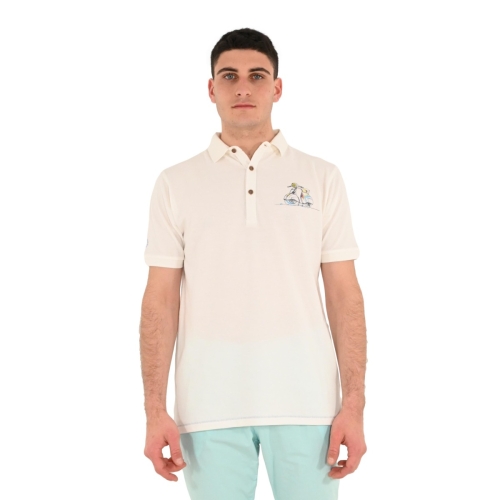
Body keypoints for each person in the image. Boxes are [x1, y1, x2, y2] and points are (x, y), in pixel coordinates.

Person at [140, 27, 367, 500]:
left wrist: (354, 404)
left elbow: (344, 295)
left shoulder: (321, 177)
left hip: (310, 406)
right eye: (229, 76)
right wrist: (154, 410)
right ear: (211, 88)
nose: (243, 87)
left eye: (257, 76)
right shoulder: (175, 183)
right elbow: (160, 300)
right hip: (207, 409)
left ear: (277, 88)